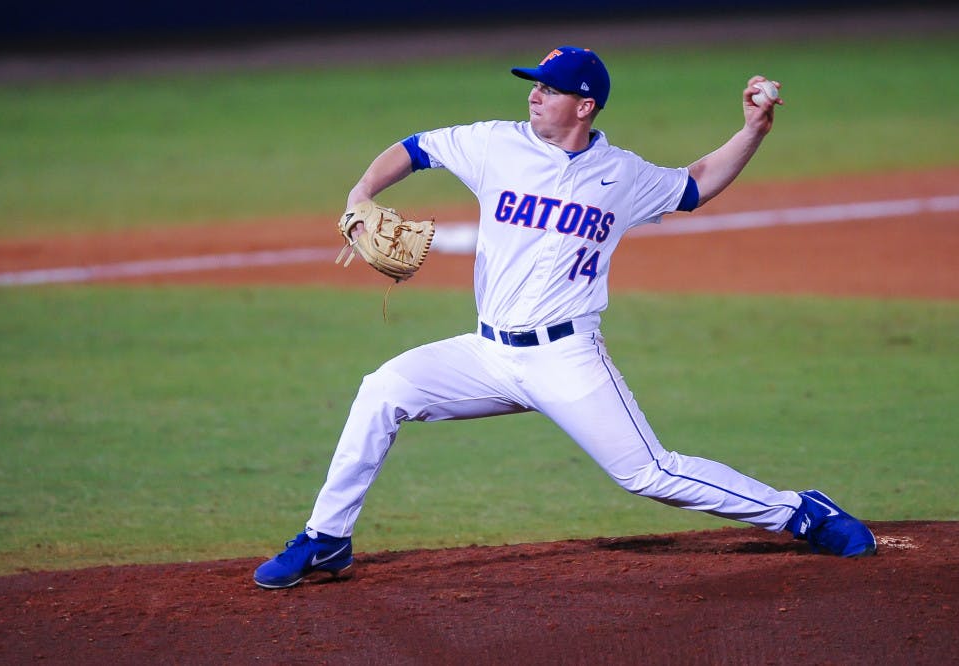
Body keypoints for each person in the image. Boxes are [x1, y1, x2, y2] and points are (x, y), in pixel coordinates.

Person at [253, 46, 877, 589]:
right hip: (487, 353)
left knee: (647, 472)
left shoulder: (622, 174)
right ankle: (326, 538)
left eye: (550, 88)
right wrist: (361, 194)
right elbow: (414, 149)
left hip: (566, 358)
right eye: (535, 83)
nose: (535, 94)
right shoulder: (495, 143)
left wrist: (753, 132)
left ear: (585, 106)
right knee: (382, 390)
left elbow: (695, 186)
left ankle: (801, 513)